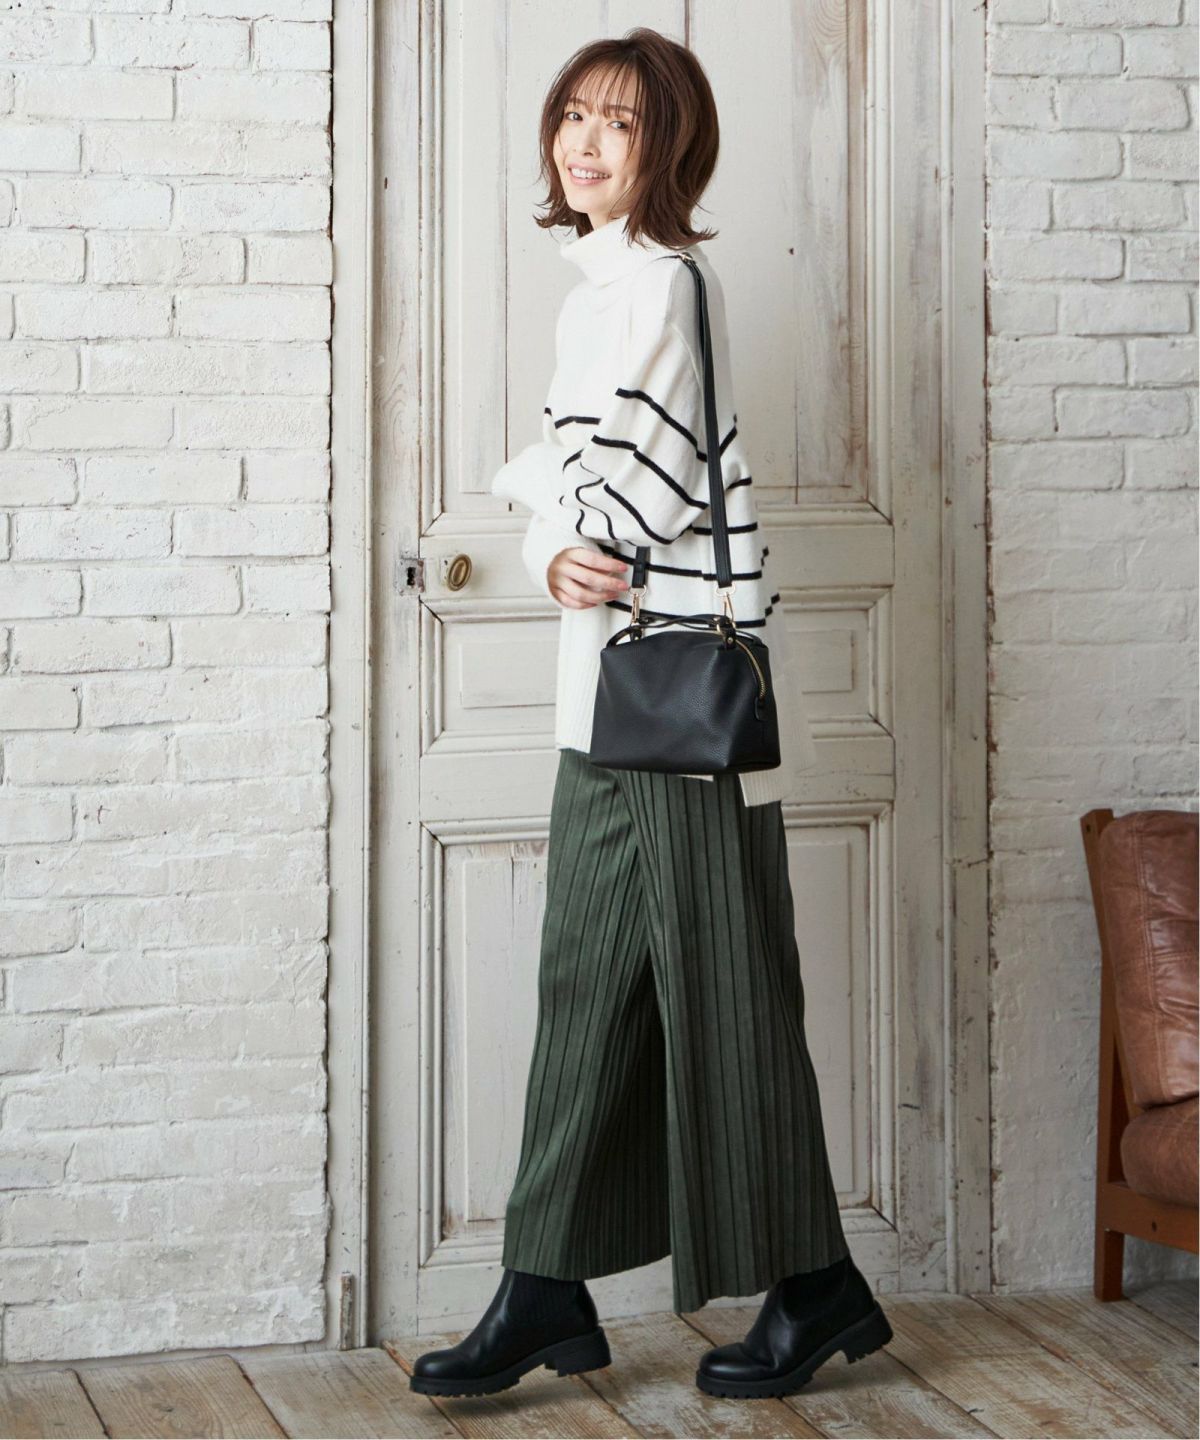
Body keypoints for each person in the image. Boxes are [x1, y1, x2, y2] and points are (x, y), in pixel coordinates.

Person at [410, 27, 892, 1403]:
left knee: (725, 998)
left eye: (619, 122)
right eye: (573, 115)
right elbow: (587, 509)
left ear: (666, 147)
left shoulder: (665, 286)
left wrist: (534, 494)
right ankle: (544, 1287)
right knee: (588, 995)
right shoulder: (601, 292)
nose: (586, 142)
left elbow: (632, 496)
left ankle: (814, 1284)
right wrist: (548, 528)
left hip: (682, 717)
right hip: (607, 708)